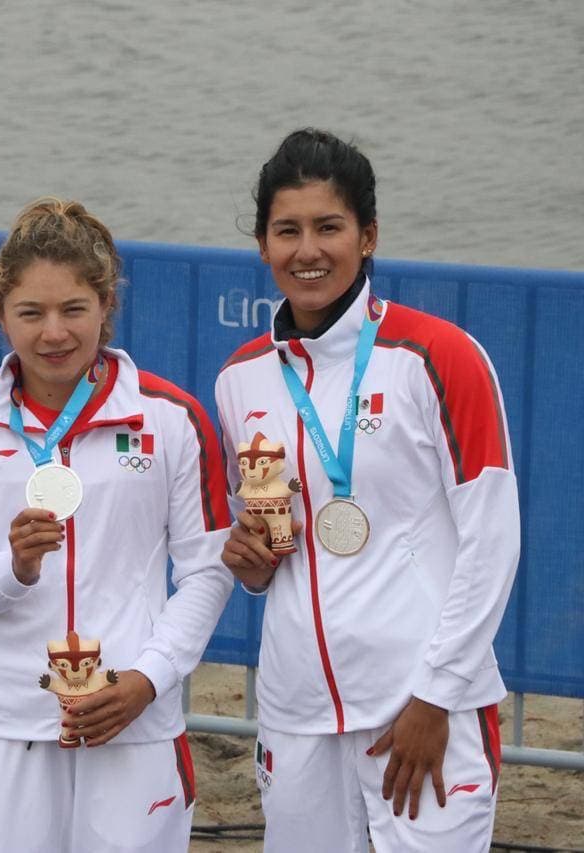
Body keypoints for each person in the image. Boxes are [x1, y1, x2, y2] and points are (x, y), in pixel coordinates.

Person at [216, 128, 518, 852]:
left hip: (421, 708)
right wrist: (251, 562)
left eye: (329, 227)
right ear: (262, 244)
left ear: (369, 235)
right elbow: (266, 547)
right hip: (297, 713)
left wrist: (437, 695)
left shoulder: (438, 356)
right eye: (287, 230)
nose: (308, 251)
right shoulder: (240, 378)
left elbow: (493, 540)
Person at [0, 197, 234, 852]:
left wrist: (148, 679)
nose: (54, 333)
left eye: (73, 309)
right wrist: (13, 569)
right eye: (31, 312)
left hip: (132, 717)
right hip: (7, 721)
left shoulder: (172, 419)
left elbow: (207, 573)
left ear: (105, 304)